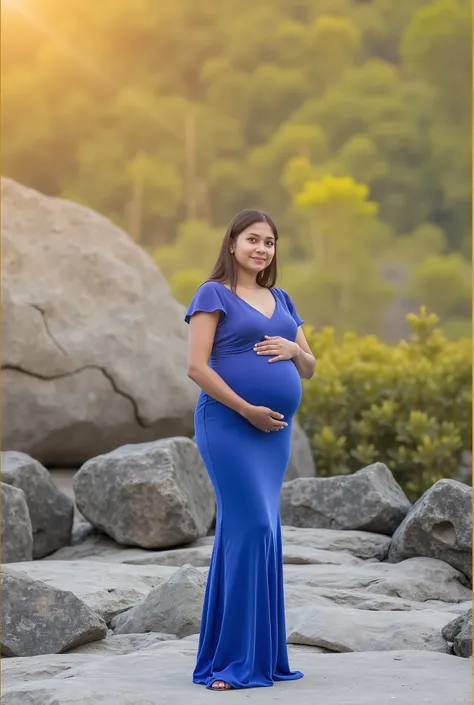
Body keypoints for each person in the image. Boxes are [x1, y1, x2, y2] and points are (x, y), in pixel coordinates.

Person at [184, 209, 316, 690]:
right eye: (253, 240)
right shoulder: (213, 293)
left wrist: (294, 350)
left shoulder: (281, 298)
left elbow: (311, 366)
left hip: (273, 434)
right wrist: (247, 410)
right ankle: (232, 663)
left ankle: (257, 655)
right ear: (233, 243)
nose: (262, 249)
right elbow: (197, 367)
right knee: (252, 525)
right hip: (228, 425)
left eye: (270, 242)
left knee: (261, 530)